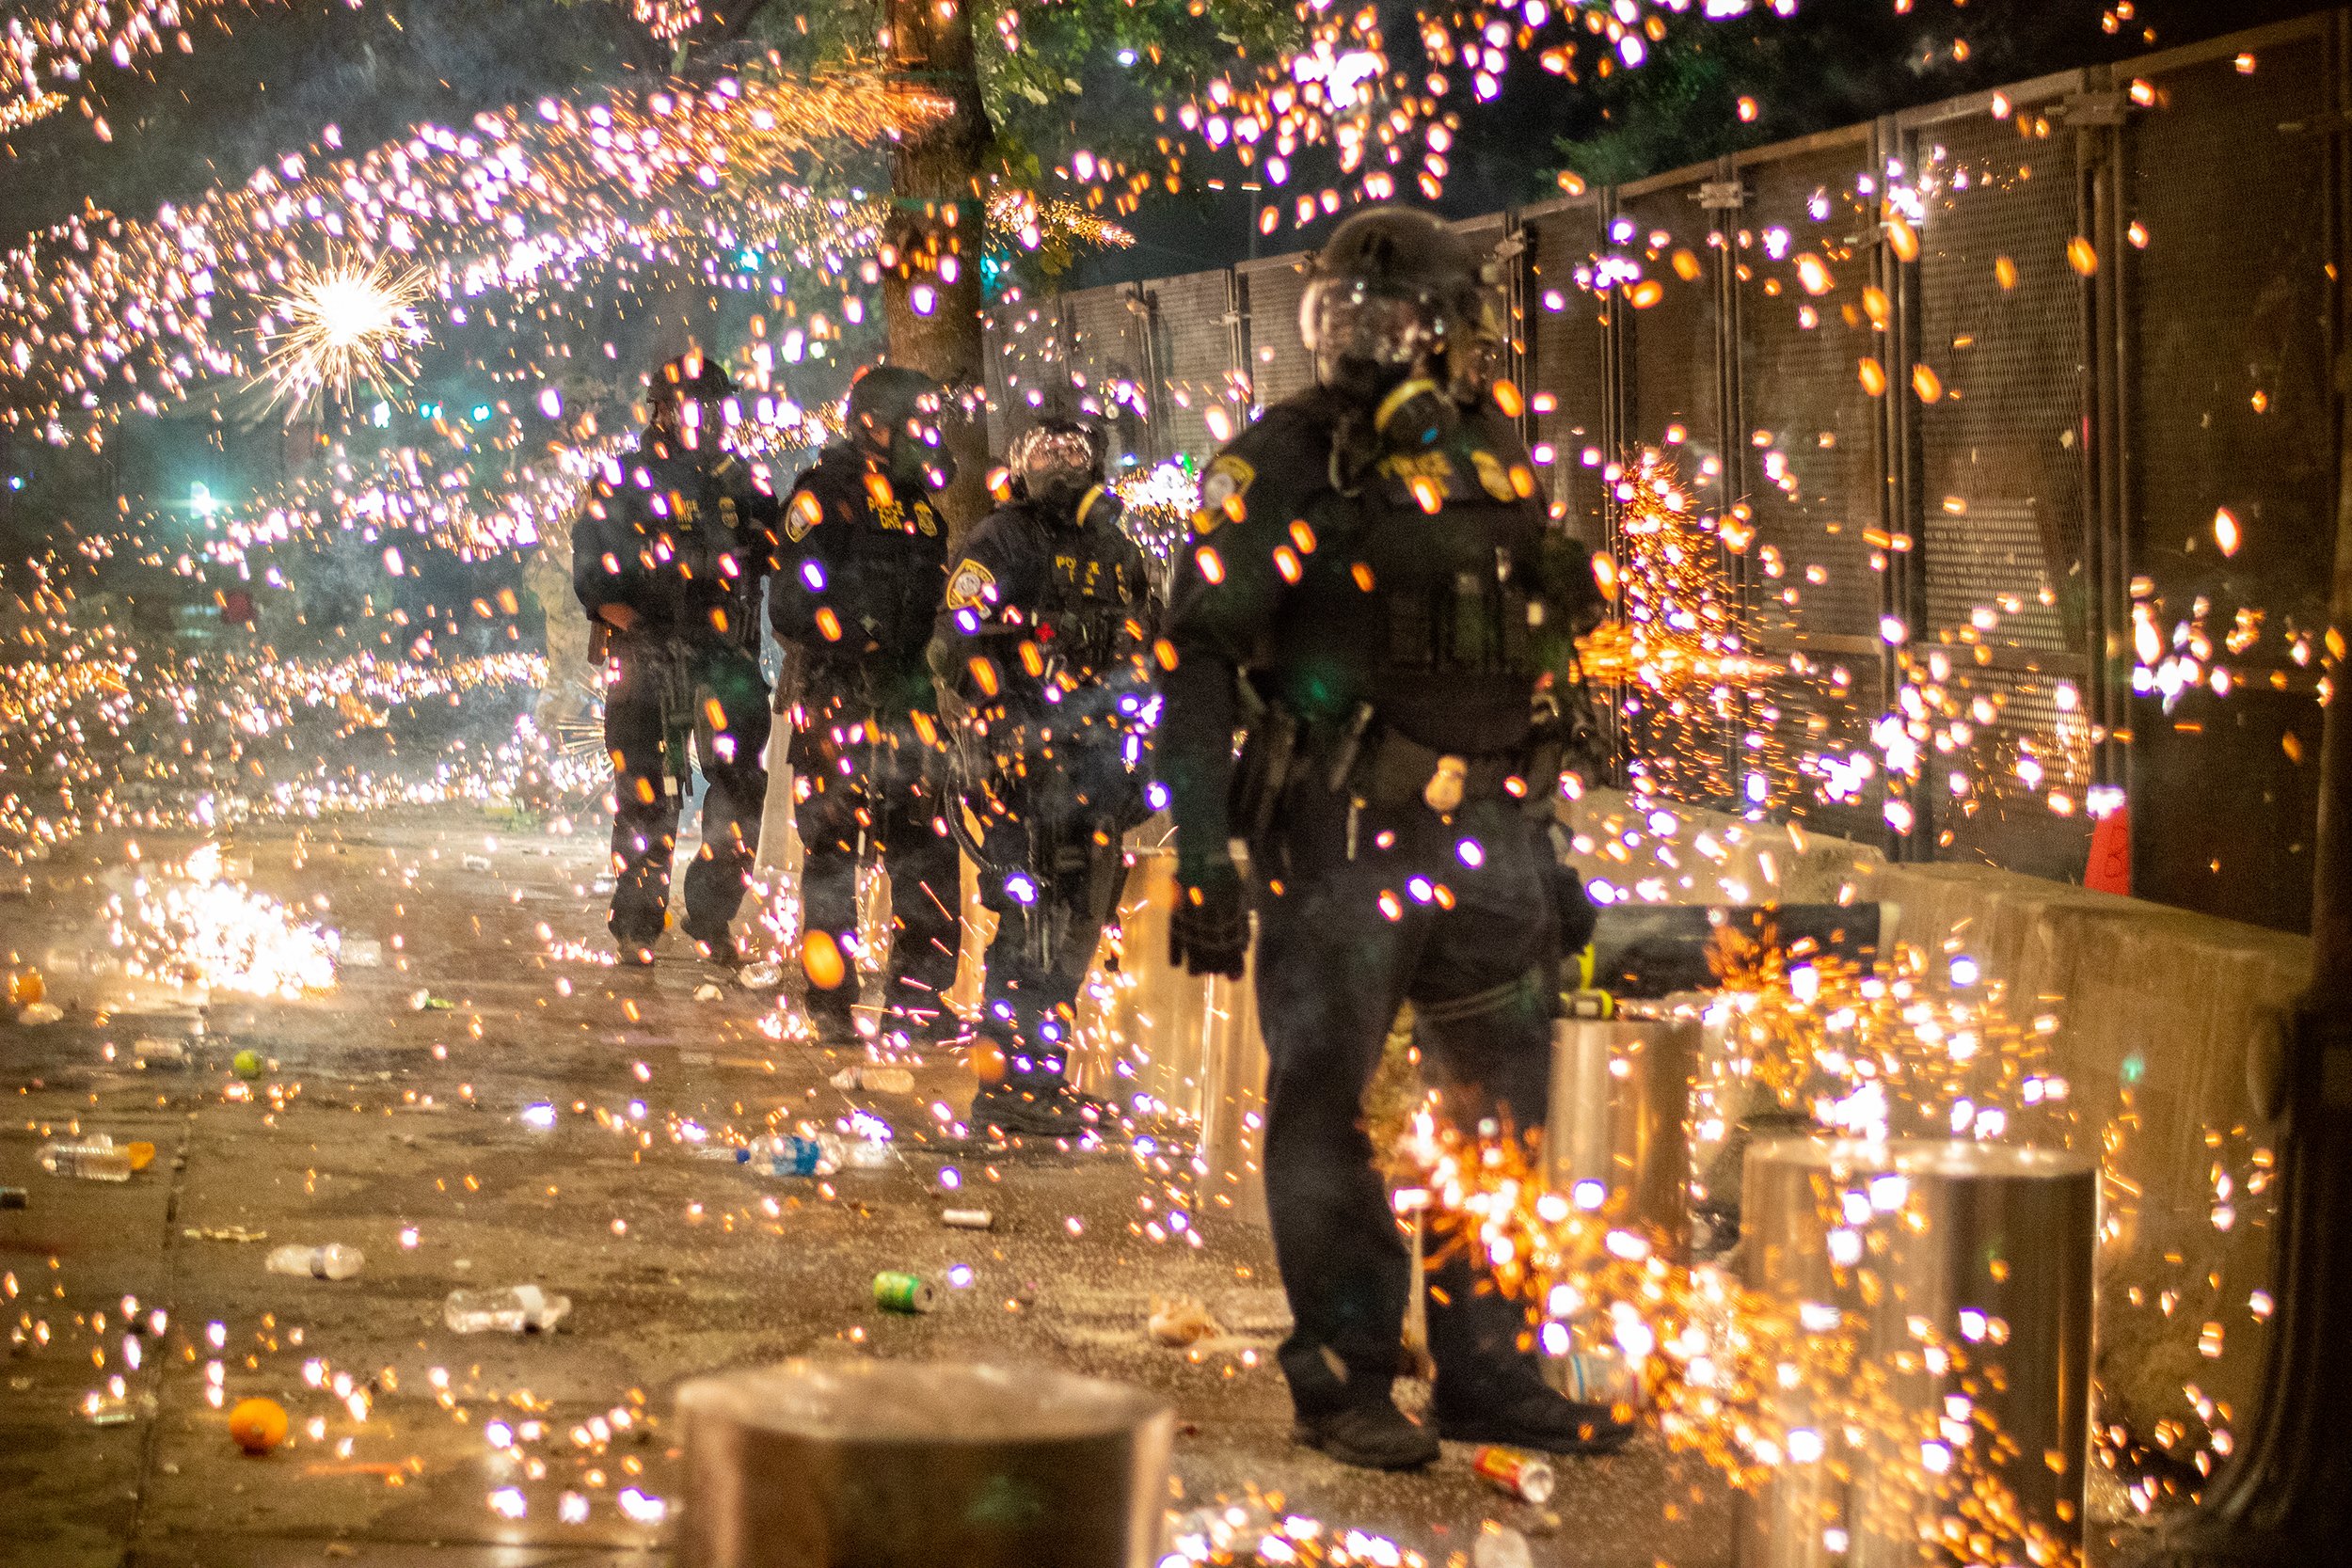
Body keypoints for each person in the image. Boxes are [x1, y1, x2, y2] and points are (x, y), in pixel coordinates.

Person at [1154, 206, 1624, 1470]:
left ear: (1458, 330)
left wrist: (1550, 838)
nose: (1368, 344)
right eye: (1346, 319)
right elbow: (1195, 653)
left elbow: (1539, 656)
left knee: (1497, 1116)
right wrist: (1201, 839)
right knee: (1324, 1103)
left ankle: (1490, 1370)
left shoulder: (1495, 452)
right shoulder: (1281, 463)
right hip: (1345, 839)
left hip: (1492, 835)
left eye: (1396, 319)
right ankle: (1346, 1373)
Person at [928, 413, 1156, 1138]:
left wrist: (1140, 734)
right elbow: (950, 645)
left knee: (1081, 921)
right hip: (1018, 763)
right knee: (1024, 924)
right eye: (1045, 454)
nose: (1061, 466)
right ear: (1020, 466)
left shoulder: (1116, 546)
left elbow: (1149, 642)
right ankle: (1002, 1087)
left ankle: (1046, 1078)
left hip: (1095, 762)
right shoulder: (1000, 539)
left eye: (1073, 453)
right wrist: (1004, 710)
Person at [769, 365, 961, 1040]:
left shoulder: (919, 504)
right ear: (873, 422)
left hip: (908, 700)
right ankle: (829, 1002)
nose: (928, 434)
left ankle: (919, 997)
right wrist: (860, 631)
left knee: (924, 845)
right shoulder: (824, 495)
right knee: (833, 849)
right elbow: (790, 607)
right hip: (838, 696)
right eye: (916, 420)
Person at [572, 352, 776, 966]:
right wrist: (631, 625)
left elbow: (777, 556)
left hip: (723, 652)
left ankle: (712, 914)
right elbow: (592, 575)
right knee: (644, 793)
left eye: (713, 405)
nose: (704, 417)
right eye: (690, 404)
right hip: (644, 646)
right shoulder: (624, 478)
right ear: (659, 409)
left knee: (741, 782)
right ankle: (637, 924)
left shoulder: (742, 479)